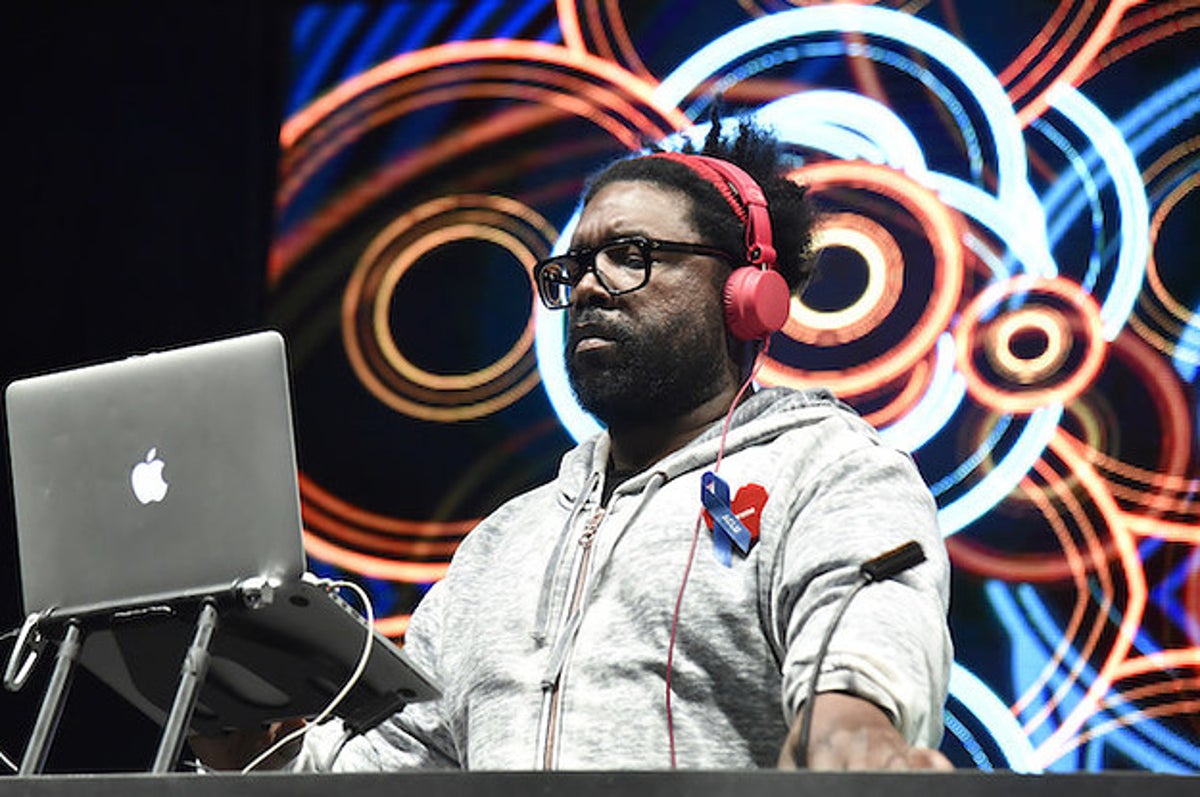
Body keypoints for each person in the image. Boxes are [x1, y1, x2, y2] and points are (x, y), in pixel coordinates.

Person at [194, 118, 953, 771]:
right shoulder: (501, 545)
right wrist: (254, 750)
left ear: (749, 294)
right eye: (576, 265)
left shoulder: (829, 470)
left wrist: (855, 721)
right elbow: (397, 759)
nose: (588, 286)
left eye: (630, 253)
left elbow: (869, 630)